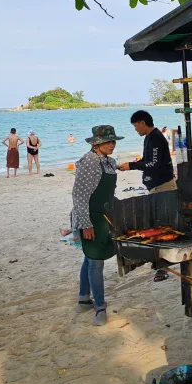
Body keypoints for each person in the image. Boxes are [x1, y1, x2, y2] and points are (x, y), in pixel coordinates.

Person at [71, 125, 124, 327]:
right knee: (96, 262)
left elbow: (108, 192)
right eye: (108, 141)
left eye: (113, 141)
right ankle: (100, 308)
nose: (112, 144)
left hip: (105, 217)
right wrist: (86, 224)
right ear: (96, 143)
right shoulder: (89, 162)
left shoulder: (109, 162)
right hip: (90, 218)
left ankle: (84, 299)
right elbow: (79, 196)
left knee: (90, 257)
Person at [121, 110, 177, 282]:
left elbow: (152, 164)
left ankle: (163, 265)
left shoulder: (155, 138)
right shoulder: (150, 137)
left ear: (142, 122)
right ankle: (160, 262)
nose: (135, 129)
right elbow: (148, 161)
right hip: (155, 186)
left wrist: (131, 165)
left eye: (135, 125)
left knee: (162, 225)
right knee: (159, 223)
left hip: (162, 186)